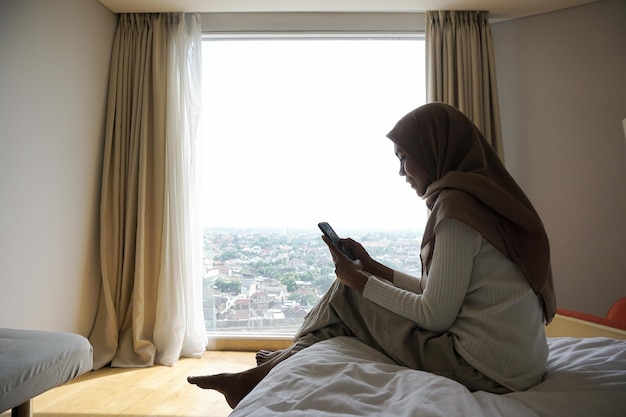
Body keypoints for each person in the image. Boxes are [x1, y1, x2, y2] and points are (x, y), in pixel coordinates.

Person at [188, 102, 556, 409]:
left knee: (347, 293)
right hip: (522, 362)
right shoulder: (485, 199)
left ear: (433, 151)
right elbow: (449, 295)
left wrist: (358, 280)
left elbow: (436, 315)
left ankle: (264, 371)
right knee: (354, 290)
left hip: (487, 371)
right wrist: (377, 270)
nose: (401, 172)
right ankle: (280, 361)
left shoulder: (456, 210)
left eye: (405, 158)